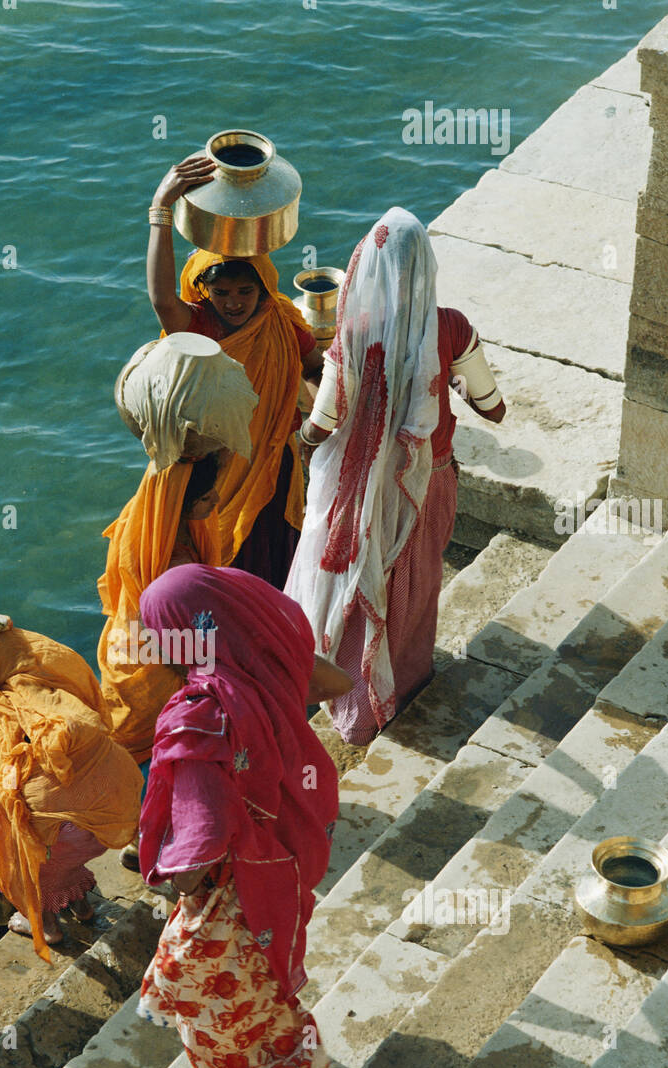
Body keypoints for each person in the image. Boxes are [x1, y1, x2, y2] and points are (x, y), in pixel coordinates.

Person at [134, 564, 351, 1068]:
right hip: (286, 851)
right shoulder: (270, 665)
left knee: (216, 1002)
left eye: (158, 633)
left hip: (236, 883)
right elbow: (336, 683)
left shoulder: (200, 716)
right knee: (264, 979)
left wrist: (169, 873)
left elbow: (200, 840)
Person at [286, 207, 507, 744]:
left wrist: (298, 437)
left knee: (364, 586)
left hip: (363, 495)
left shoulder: (353, 336)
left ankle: (356, 703)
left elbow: (325, 424)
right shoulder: (451, 327)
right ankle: (403, 683)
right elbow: (494, 408)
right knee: (419, 582)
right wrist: (447, 385)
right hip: (427, 483)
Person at [147, 156, 325, 588]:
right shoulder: (200, 327)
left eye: (246, 291)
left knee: (271, 560)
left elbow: (316, 368)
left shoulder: (281, 323)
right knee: (219, 561)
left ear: (264, 290)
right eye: (222, 292)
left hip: (273, 466)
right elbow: (160, 298)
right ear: (204, 292)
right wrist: (160, 210)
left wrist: (324, 424)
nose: (234, 302)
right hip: (213, 471)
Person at [98, 332, 257, 796]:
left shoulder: (149, 515)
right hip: (157, 676)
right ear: (189, 503)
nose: (218, 500)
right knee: (167, 770)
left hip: (126, 652)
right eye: (210, 497)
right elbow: (180, 650)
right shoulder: (179, 566)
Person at [0, 614, 143, 959]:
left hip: (60, 835)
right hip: (108, 815)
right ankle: (84, 910)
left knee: (18, 861)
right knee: (65, 859)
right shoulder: (57, 691)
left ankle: (48, 927)